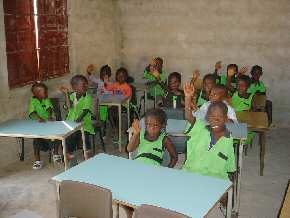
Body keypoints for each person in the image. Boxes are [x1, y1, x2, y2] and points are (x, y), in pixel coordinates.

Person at [182, 82, 236, 180]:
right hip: (194, 171)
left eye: (218, 118)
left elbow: (229, 168)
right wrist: (188, 98)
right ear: (208, 117)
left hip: (215, 176)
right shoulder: (202, 126)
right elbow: (189, 116)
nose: (214, 121)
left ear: (225, 119)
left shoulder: (228, 139)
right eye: (211, 117)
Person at [60, 75, 94, 161]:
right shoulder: (72, 96)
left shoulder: (87, 97)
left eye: (86, 84)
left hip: (84, 123)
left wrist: (79, 119)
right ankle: (69, 153)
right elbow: (68, 107)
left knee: (83, 136)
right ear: (75, 87)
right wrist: (67, 94)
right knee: (68, 135)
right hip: (71, 123)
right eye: (83, 85)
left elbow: (85, 111)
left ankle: (88, 152)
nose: (86, 87)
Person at [28, 82, 61, 169]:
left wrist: (49, 116)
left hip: (48, 123)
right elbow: (32, 112)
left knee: (56, 137)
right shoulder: (33, 101)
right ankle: (37, 160)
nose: (46, 94)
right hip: (38, 125)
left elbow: (49, 108)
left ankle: (56, 154)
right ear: (37, 94)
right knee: (36, 141)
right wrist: (38, 118)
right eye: (44, 92)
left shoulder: (46, 99)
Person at [231, 75, 256, 146]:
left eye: (243, 85)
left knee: (227, 136)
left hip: (246, 126)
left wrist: (249, 112)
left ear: (248, 86)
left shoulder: (252, 97)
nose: (240, 87)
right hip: (234, 122)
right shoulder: (235, 94)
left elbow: (254, 113)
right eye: (238, 85)